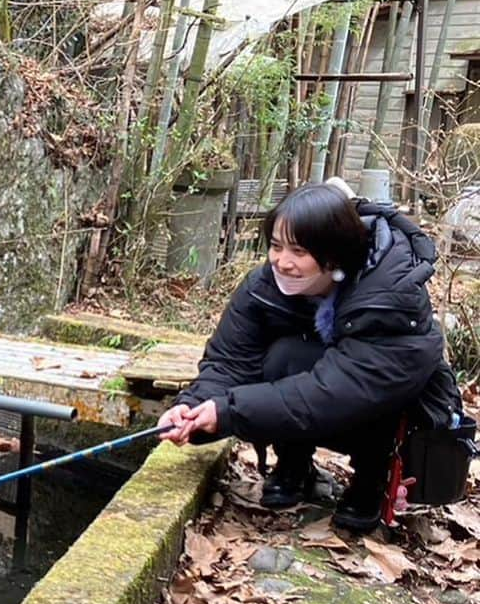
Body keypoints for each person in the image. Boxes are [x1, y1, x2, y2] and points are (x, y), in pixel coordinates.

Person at [157, 179, 462, 533]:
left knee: (380, 399)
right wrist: (193, 406)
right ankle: (293, 466)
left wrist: (228, 412)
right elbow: (229, 361)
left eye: (299, 252)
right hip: (327, 393)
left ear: (335, 254)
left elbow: (336, 392)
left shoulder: (390, 297)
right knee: (282, 357)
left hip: (381, 407)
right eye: (275, 246)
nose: (282, 263)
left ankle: (370, 482)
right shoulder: (263, 287)